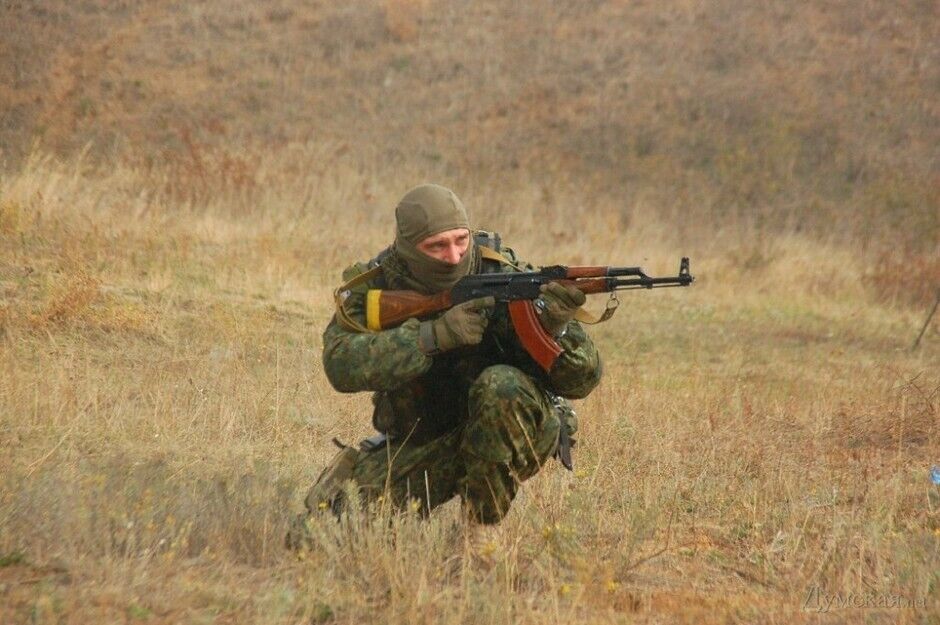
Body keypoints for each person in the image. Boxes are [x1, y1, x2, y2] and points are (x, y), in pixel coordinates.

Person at [290, 183, 602, 541]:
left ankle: (479, 533)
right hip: (424, 440)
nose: (454, 257)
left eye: (461, 240)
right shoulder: (379, 284)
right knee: (313, 536)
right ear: (408, 247)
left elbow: (583, 381)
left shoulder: (503, 273)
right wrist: (431, 337)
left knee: (501, 385)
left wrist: (557, 328)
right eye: (437, 246)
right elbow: (340, 364)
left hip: (509, 425)